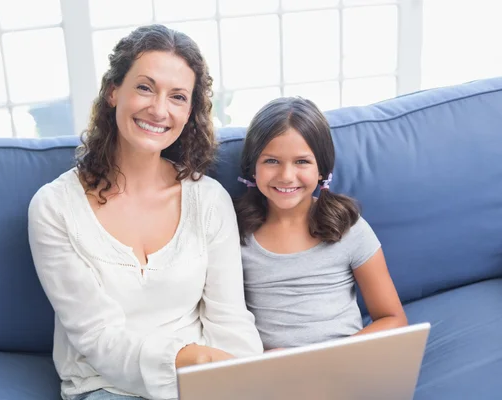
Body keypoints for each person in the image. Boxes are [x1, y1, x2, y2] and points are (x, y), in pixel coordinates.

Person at [28, 25, 263, 400]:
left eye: (178, 97)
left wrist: (242, 378)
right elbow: (99, 338)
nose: (158, 109)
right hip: (106, 386)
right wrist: (191, 359)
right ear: (113, 91)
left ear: (190, 112)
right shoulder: (54, 207)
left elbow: (230, 319)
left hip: (202, 382)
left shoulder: (209, 200)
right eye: (144, 87)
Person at [235, 97, 407, 351]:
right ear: (252, 168)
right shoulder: (234, 231)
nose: (286, 176)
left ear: (321, 170)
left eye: (302, 161)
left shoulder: (348, 227)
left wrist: (333, 357)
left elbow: (393, 319)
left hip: (346, 365)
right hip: (276, 376)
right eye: (271, 161)